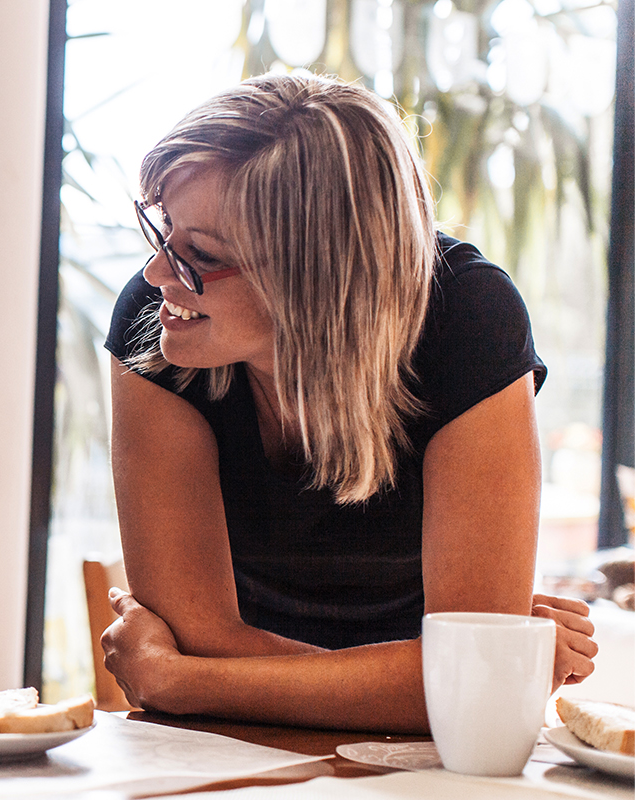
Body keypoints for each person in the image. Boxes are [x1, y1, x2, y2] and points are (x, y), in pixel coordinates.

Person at [100, 73, 597, 732]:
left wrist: (181, 680)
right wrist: (435, 679)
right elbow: (472, 681)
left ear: (314, 276)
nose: (157, 274)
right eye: (162, 229)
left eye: (200, 255)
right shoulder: (159, 322)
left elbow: (473, 687)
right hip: (228, 740)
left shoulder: (467, 319)